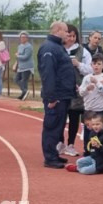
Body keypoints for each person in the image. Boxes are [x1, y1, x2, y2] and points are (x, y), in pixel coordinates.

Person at [37, 21, 76, 169]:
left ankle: (54, 153)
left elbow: (62, 71)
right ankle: (50, 157)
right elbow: (48, 74)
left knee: (58, 126)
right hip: (56, 96)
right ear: (58, 30)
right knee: (52, 126)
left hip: (63, 94)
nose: (68, 34)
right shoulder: (49, 48)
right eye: (66, 31)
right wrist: (52, 97)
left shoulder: (58, 47)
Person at [57, 24, 92, 157]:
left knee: (74, 117)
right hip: (61, 88)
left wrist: (79, 64)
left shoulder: (83, 51)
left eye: (74, 36)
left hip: (76, 89)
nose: (71, 39)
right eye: (69, 36)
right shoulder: (58, 49)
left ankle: (71, 144)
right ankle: (60, 142)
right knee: (60, 117)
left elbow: (90, 69)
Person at [79, 54, 103, 154]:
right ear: (91, 65)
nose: (96, 66)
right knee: (88, 131)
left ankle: (98, 151)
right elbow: (81, 93)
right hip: (88, 109)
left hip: (99, 109)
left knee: (98, 130)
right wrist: (87, 88)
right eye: (94, 63)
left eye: (99, 64)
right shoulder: (87, 78)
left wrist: (97, 83)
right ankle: (87, 150)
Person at [14, 31, 34, 100]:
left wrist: (18, 56)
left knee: (24, 80)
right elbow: (18, 56)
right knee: (16, 79)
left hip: (27, 67)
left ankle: (23, 94)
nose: (22, 39)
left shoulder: (29, 46)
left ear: (27, 38)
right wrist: (16, 63)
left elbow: (26, 57)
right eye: (21, 37)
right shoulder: (19, 46)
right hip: (20, 66)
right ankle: (25, 91)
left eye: (24, 37)